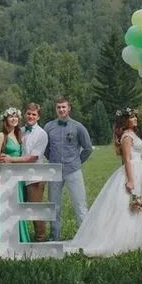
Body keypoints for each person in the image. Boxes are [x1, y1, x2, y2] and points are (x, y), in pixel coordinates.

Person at [64, 107, 142, 256]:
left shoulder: (133, 134)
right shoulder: (126, 137)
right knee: (128, 207)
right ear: (126, 121)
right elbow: (127, 159)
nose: (136, 119)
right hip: (133, 171)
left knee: (140, 206)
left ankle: (140, 239)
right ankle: (123, 240)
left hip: (141, 171)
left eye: (136, 117)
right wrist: (130, 180)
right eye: (133, 117)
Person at [44, 96, 93, 240]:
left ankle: (85, 238)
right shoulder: (48, 127)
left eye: (63, 107)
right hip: (54, 171)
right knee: (54, 206)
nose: (61, 110)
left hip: (73, 170)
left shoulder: (78, 127)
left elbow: (88, 148)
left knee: (80, 205)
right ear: (56, 109)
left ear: (69, 108)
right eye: (58, 107)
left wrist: (77, 162)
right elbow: (45, 148)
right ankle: (54, 237)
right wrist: (52, 160)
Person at [0, 107, 30, 243]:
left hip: (18, 176)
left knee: (18, 206)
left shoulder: (19, 135)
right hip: (5, 175)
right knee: (6, 207)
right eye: (10, 116)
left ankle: (20, 236)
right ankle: (6, 238)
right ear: (5, 119)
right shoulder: (1, 136)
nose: (13, 119)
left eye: (16, 117)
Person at [20, 102, 49, 241]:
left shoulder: (41, 134)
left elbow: (33, 157)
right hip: (19, 175)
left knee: (34, 207)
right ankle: (19, 235)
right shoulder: (20, 131)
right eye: (29, 114)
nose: (31, 116)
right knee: (20, 206)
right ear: (25, 114)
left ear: (38, 117)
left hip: (35, 175)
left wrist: (12, 160)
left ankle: (40, 237)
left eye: (34, 114)